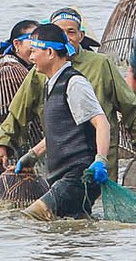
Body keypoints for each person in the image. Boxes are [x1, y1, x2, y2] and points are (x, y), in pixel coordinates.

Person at [0, 10, 136, 170]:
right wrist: (3, 145)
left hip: (100, 154)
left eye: (71, 32)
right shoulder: (40, 71)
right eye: (59, 33)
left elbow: (130, 107)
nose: (66, 38)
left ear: (81, 36)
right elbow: (18, 113)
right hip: (62, 154)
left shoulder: (100, 64)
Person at [13, 21, 112, 220]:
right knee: (71, 229)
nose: (30, 57)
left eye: (34, 52)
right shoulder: (50, 84)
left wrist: (100, 160)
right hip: (61, 176)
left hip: (79, 176)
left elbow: (101, 122)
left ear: (50, 52)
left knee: (33, 217)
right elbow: (58, 131)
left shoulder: (74, 83)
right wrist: (33, 155)